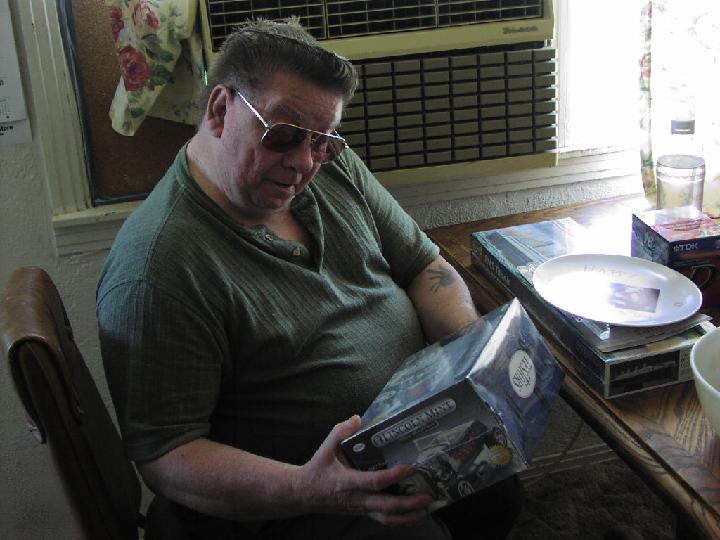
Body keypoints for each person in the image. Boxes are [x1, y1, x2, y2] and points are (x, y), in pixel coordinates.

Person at [96, 18, 522, 540]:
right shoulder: (157, 269)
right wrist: (313, 489)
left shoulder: (331, 167)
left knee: (498, 490)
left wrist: (471, 360)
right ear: (221, 109)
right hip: (288, 499)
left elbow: (423, 265)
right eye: (283, 135)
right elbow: (166, 458)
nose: (303, 163)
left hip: (408, 436)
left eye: (323, 142)